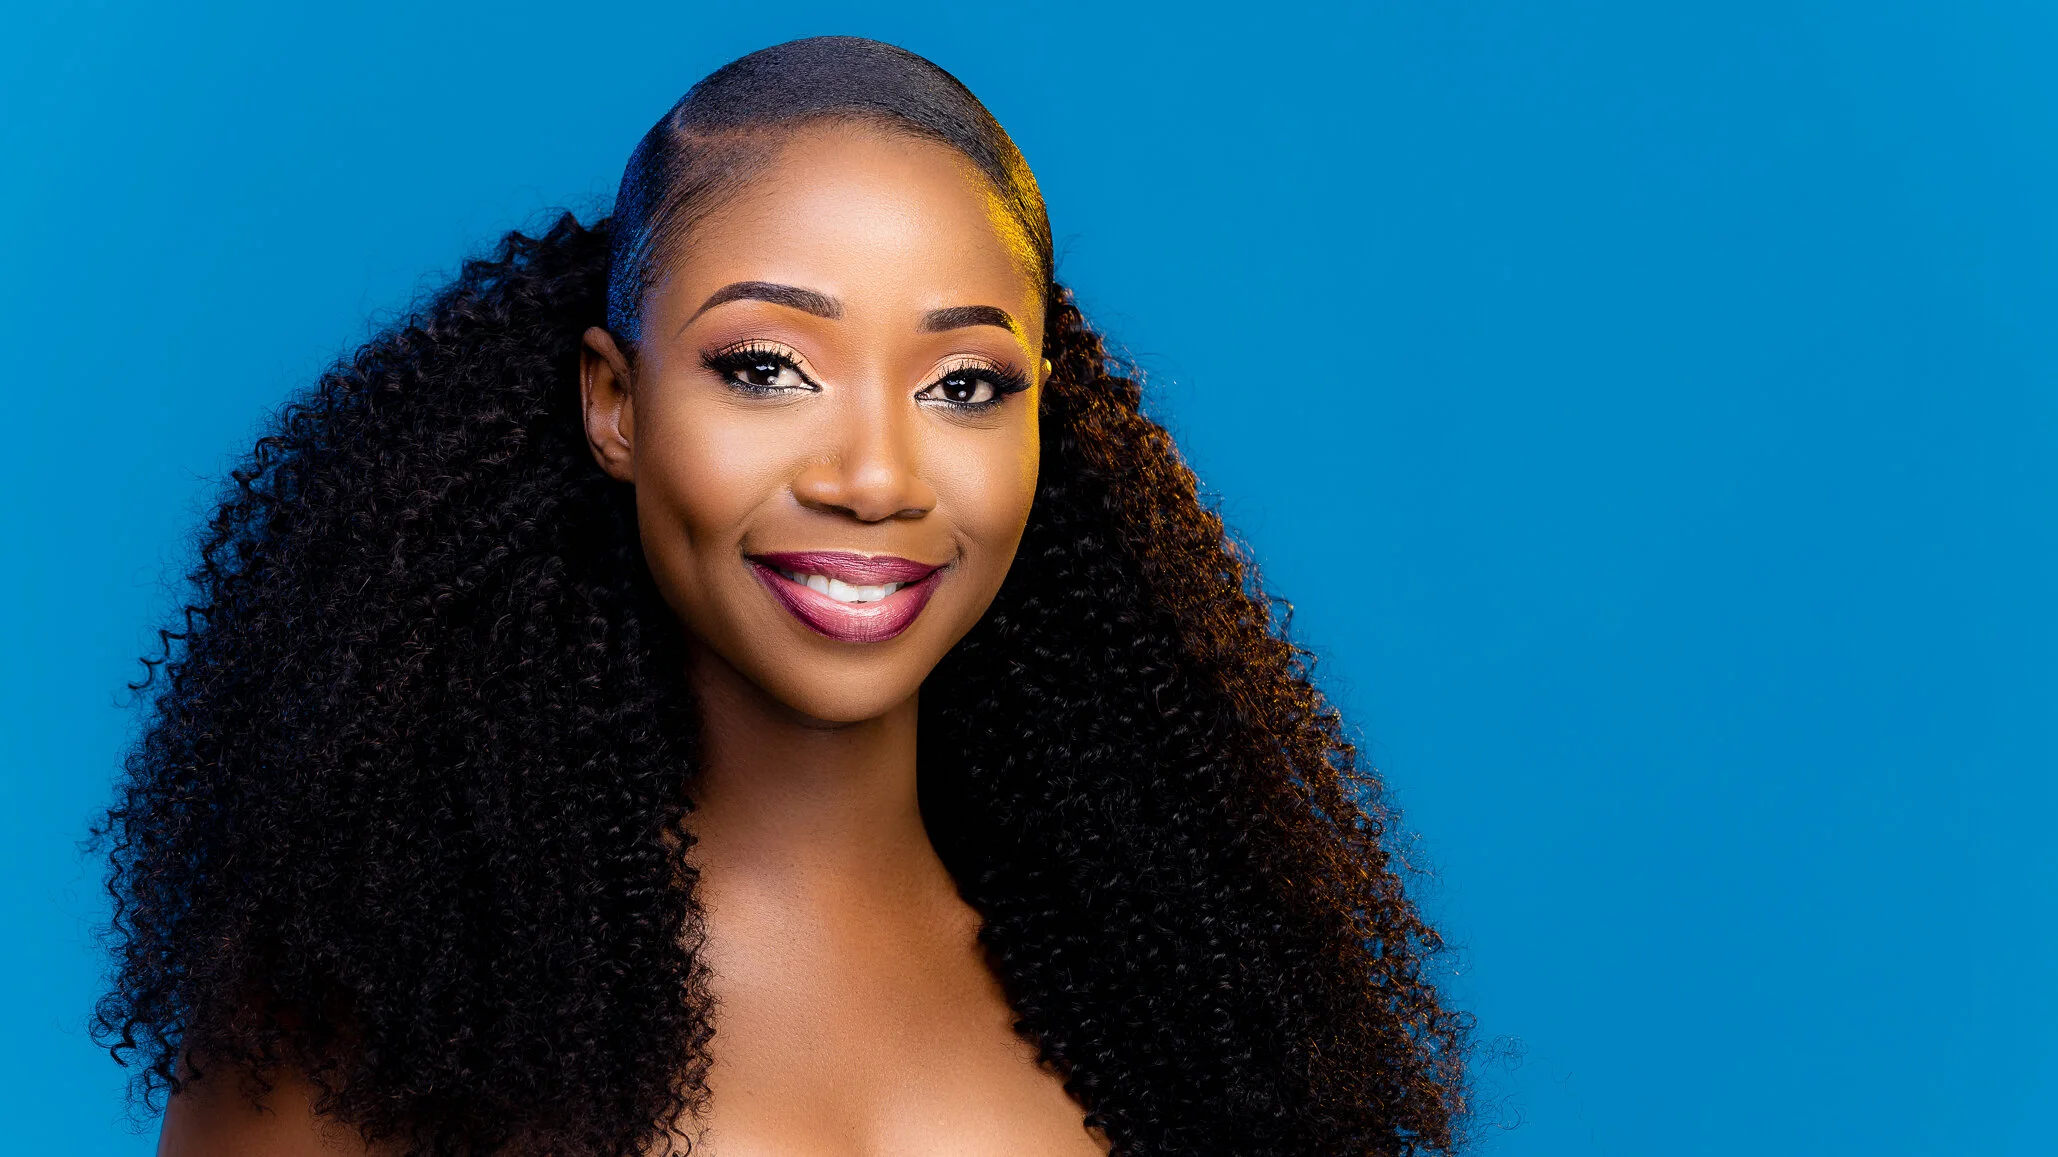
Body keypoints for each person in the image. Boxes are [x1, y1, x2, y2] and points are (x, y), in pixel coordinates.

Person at [99, 36, 1468, 1157]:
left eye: (964, 386)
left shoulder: (1196, 1009)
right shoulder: (368, 1031)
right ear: (615, 404)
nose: (875, 475)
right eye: (766, 369)